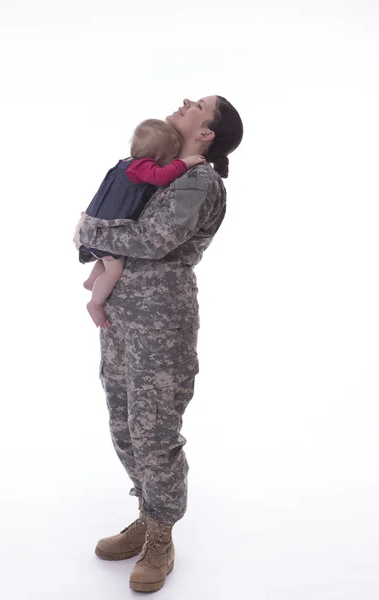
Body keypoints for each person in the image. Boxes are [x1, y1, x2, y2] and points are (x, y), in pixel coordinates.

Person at [74, 96, 243, 593]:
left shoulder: (200, 180)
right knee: (124, 422)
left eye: (199, 105)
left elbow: (152, 240)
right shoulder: (165, 169)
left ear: (207, 133)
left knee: (154, 430)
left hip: (161, 319)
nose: (186, 102)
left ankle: (162, 535)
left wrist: (89, 227)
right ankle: (147, 515)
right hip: (123, 316)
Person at [77, 119, 206, 328]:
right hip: (107, 228)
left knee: (106, 257)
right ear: (158, 156)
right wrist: (186, 162)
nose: (173, 160)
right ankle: (95, 302)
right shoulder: (143, 167)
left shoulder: (125, 162)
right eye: (172, 156)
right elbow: (163, 176)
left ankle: (92, 281)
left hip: (97, 224)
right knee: (114, 270)